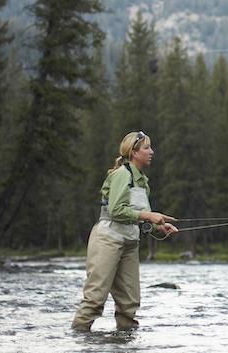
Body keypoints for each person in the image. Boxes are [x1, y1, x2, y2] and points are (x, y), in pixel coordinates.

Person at [71, 131, 178, 331]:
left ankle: (126, 343)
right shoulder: (122, 175)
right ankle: (79, 340)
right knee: (95, 298)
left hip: (130, 241)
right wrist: (149, 216)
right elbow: (116, 210)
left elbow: (137, 214)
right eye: (147, 148)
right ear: (134, 152)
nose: (152, 152)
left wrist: (158, 225)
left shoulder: (142, 181)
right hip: (108, 239)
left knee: (129, 302)